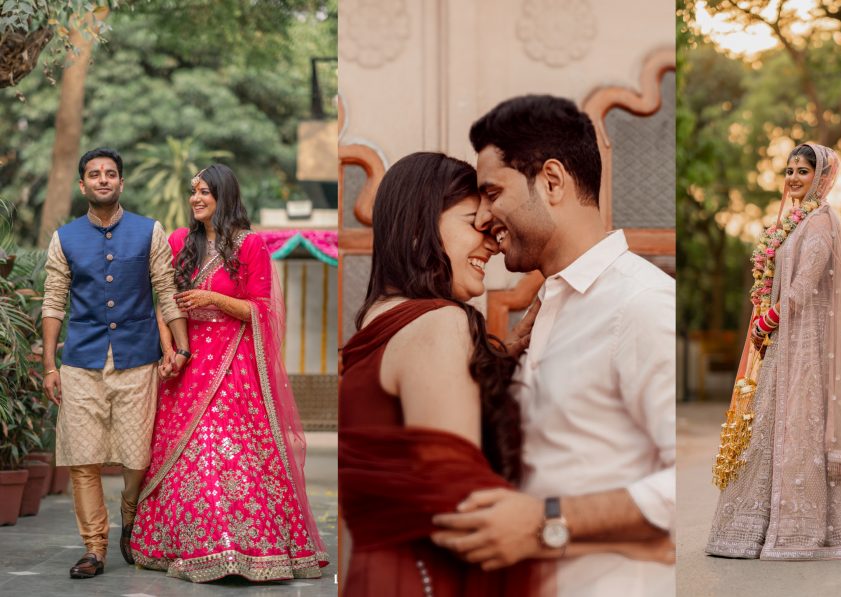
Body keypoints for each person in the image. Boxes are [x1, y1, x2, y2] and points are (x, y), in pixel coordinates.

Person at [430, 95, 676, 596]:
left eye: (493, 193)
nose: (483, 219)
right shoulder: (545, 308)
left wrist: (545, 521)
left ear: (552, 181)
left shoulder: (641, 303)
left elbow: (682, 483)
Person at [338, 152, 548, 596]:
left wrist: (501, 356)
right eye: (475, 224)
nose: (493, 244)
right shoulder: (439, 323)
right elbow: (463, 505)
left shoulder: (376, 324)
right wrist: (574, 528)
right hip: (428, 580)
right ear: (419, 227)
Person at [129, 164, 329, 581]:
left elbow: (263, 309)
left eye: (205, 191)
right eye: (193, 191)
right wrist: (169, 350)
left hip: (232, 363)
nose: (196, 198)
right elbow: (164, 302)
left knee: (221, 450)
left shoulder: (250, 245)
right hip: (186, 363)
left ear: (224, 196)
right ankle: (194, 545)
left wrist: (213, 299)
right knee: (186, 456)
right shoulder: (180, 241)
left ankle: (238, 548)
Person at [705, 143, 841, 561]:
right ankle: (754, 525)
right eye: (789, 170)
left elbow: (804, 285)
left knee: (800, 422)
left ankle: (802, 526)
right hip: (786, 337)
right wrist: (767, 320)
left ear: (821, 177)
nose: (794, 178)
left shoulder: (821, 221)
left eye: (803, 170)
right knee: (770, 424)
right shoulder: (793, 222)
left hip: (807, 343)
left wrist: (766, 320)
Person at [41, 147, 189, 579]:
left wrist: (181, 347)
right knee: (83, 459)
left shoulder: (149, 231)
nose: (102, 179)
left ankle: (129, 506)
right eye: (94, 174)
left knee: (137, 456)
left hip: (138, 359)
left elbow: (166, 290)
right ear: (82, 185)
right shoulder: (65, 237)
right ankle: (94, 547)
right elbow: (54, 301)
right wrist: (50, 365)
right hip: (81, 361)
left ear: (121, 182)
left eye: (110, 173)